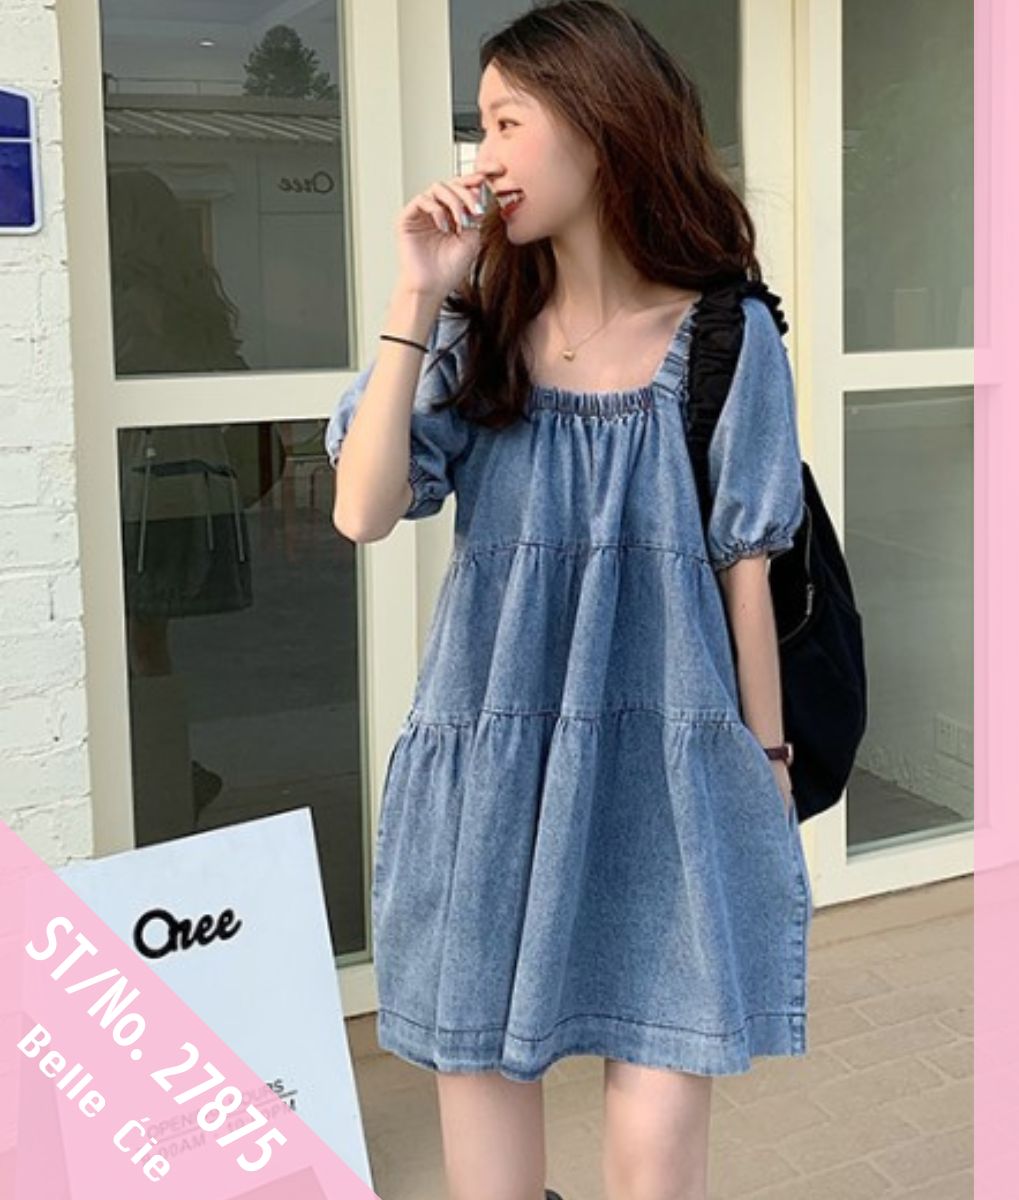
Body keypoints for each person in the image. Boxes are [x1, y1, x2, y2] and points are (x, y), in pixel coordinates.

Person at [325, 4, 811, 1197]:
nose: (482, 155)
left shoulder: (727, 336)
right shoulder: (475, 330)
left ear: (601, 125)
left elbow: (747, 569)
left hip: (665, 772)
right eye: (479, 125)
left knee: (655, 1166)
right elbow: (362, 510)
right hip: (492, 769)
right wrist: (416, 296)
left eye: (509, 122)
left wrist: (766, 763)